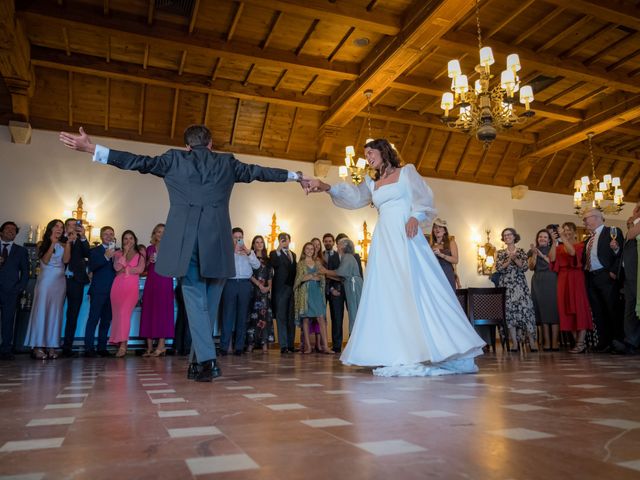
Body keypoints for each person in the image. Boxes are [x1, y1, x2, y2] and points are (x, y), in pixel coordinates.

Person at [60, 125, 307, 381]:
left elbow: (137, 162)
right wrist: (295, 175)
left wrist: (92, 148)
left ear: (187, 146)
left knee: (196, 300)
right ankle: (199, 362)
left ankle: (206, 361)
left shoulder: (174, 159)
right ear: (211, 143)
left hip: (185, 244)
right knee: (208, 305)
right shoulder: (227, 162)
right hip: (218, 245)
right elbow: (259, 172)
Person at [305, 138, 484, 376]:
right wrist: (326, 186)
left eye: (370, 152)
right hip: (384, 240)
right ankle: (394, 349)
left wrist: (415, 217)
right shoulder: (372, 183)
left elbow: (425, 199)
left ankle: (435, 346)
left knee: (417, 286)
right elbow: (353, 197)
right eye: (366, 154)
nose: (368, 157)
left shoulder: (406, 172)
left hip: (406, 235)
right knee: (389, 290)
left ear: (383, 151)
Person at [24, 219, 72, 359]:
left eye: (61, 227)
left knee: (55, 313)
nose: (59, 229)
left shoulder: (64, 244)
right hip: (46, 281)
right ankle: (38, 345)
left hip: (60, 282)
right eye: (56, 226)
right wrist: (52, 242)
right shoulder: (41, 244)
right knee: (42, 311)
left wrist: (68, 242)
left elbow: (66, 261)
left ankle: (52, 345)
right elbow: (45, 260)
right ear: (50, 228)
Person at [581, 208, 624, 352]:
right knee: (598, 311)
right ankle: (603, 342)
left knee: (612, 309)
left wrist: (613, 271)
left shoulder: (612, 231)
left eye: (586, 218)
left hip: (606, 276)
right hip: (591, 278)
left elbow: (620, 252)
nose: (584, 221)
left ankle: (617, 342)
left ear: (597, 217)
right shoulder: (588, 239)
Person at [550, 222, 593, 353]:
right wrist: (553, 241)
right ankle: (577, 342)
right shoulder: (559, 247)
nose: (566, 232)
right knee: (566, 309)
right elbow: (552, 258)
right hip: (563, 279)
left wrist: (562, 237)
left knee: (578, 308)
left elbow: (572, 252)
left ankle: (581, 343)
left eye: (569, 230)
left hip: (576, 277)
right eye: (564, 230)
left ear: (574, 232)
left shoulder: (580, 245)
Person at [496, 228, 538, 352]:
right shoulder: (500, 253)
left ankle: (532, 342)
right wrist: (509, 260)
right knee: (510, 314)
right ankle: (514, 343)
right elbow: (499, 268)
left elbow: (525, 267)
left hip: (520, 286)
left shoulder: (521, 251)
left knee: (526, 311)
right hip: (507, 286)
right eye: (505, 235)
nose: (507, 236)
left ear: (514, 237)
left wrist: (515, 259)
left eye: (509, 234)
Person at [220, 227, 260, 356]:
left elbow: (257, 266)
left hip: (244, 284)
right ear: (231, 238)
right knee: (227, 315)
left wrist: (248, 253)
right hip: (230, 283)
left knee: (242, 316)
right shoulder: (226, 251)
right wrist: (233, 252)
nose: (238, 239)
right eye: (235, 237)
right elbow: (222, 264)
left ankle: (239, 347)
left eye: (240, 237)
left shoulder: (249, 252)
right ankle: (224, 347)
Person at [109, 230, 146, 357]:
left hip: (131, 288)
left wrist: (127, 269)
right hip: (117, 287)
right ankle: (119, 342)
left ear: (135, 240)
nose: (128, 241)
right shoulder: (118, 253)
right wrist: (124, 254)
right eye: (125, 238)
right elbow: (117, 268)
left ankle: (124, 345)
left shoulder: (140, 254)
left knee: (124, 314)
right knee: (117, 315)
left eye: (131, 238)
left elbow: (140, 269)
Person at [140, 223, 175, 357]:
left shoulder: (170, 249)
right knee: (149, 311)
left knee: (163, 312)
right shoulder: (149, 248)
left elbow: (174, 267)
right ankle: (149, 347)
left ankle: (161, 345)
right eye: (158, 232)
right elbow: (145, 268)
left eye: (163, 232)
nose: (161, 234)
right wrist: (149, 261)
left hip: (165, 281)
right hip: (151, 282)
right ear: (154, 234)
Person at [84, 226, 117, 357]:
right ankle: (88, 348)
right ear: (102, 237)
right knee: (93, 319)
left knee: (106, 320)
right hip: (98, 290)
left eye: (111, 234)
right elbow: (92, 267)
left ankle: (102, 348)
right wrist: (105, 257)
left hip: (113, 291)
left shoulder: (118, 252)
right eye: (106, 234)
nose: (109, 236)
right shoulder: (95, 251)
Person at [61, 218, 91, 358]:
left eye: (76, 225)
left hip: (76, 281)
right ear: (66, 227)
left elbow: (87, 254)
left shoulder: (81, 241)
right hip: (59, 280)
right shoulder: (58, 239)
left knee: (72, 315)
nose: (73, 227)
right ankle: (49, 344)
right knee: (55, 313)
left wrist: (83, 236)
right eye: (70, 225)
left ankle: (67, 347)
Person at [294, 242, 330, 354]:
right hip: (305, 293)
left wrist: (311, 276)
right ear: (304, 250)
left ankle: (326, 346)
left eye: (312, 249)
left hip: (317, 293)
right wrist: (312, 276)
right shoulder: (300, 263)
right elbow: (300, 279)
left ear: (314, 251)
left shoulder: (318, 263)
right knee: (306, 319)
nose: (310, 250)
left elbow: (322, 277)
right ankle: (308, 347)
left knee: (321, 319)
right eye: (307, 249)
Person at [321, 238, 363, 335]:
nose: (337, 246)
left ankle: (355, 338)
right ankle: (355, 337)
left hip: (353, 285)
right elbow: (341, 277)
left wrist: (325, 271)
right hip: (351, 284)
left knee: (354, 311)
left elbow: (341, 273)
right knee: (354, 311)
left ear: (344, 246)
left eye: (339, 244)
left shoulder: (347, 257)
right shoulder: (347, 257)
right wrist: (326, 274)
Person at [0, 221, 29, 360]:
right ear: (1, 232)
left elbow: (25, 272)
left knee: (8, 320)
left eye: (14, 230)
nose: (11, 231)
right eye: (8, 229)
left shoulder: (21, 250)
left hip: (11, 291)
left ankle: (6, 349)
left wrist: (19, 288)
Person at [528, 229, 560, 351]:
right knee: (541, 311)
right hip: (537, 281)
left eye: (545, 237)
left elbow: (551, 262)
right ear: (537, 238)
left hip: (551, 279)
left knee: (553, 310)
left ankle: (555, 342)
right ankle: (546, 342)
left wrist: (541, 254)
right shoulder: (532, 251)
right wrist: (535, 254)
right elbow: (531, 267)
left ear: (549, 240)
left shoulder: (554, 248)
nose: (542, 238)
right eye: (540, 236)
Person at [614, 207, 640, 355]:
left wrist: (633, 223)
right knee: (629, 309)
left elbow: (631, 235)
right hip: (628, 275)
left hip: (637, 272)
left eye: (637, 207)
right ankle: (630, 341)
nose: (634, 209)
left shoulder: (635, 226)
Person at [270, 232, 297, 354]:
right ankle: (284, 346)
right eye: (281, 240)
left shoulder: (294, 254)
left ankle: (291, 344)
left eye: (286, 239)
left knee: (291, 317)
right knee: (281, 317)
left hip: (292, 289)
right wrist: (278, 249)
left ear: (290, 241)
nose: (284, 241)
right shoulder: (274, 253)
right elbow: (273, 264)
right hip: (280, 289)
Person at [247, 235, 273, 353]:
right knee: (253, 317)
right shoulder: (250, 257)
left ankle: (264, 344)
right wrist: (259, 285)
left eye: (261, 242)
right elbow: (249, 274)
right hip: (254, 291)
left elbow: (270, 276)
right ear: (253, 245)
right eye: (257, 242)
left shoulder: (268, 260)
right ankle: (250, 344)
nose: (259, 244)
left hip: (265, 294)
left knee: (265, 317)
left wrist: (268, 288)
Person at [430, 218, 458, 291]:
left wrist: (441, 255)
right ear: (433, 230)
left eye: (440, 227)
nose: (437, 229)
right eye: (435, 227)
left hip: (447, 274)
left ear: (444, 230)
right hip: (434, 276)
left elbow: (455, 260)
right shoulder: (430, 246)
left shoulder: (451, 242)